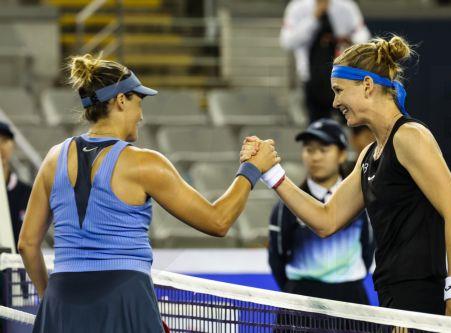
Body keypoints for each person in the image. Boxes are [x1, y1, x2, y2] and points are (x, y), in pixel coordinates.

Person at [17, 54, 279, 333]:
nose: (141, 115)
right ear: (121, 100)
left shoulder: (53, 159)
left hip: (61, 302)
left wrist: (52, 299)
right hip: (124, 299)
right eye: (138, 102)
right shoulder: (145, 164)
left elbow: (27, 244)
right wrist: (251, 169)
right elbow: (218, 221)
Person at [241, 35, 451, 318]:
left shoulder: (410, 137)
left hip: (420, 298)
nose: (335, 101)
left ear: (366, 85)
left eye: (339, 90)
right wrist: (271, 172)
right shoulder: (368, 155)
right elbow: (326, 220)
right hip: (391, 296)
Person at [268, 118, 374, 305]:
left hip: (351, 299)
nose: (315, 157)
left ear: (341, 154)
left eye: (323, 150)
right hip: (300, 301)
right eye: (309, 149)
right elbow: (277, 258)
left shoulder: (361, 200)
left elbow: (369, 247)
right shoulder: (286, 206)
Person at [280, 0, 370, 123]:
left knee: (353, 126)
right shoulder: (297, 7)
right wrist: (313, 18)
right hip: (311, 79)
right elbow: (287, 42)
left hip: (345, 78)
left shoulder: (346, 6)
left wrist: (349, 40)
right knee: (317, 131)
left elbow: (363, 36)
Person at [0, 121, 32, 249]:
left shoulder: (27, 193)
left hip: (16, 266)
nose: (0, 146)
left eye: (5, 140)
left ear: (12, 145)